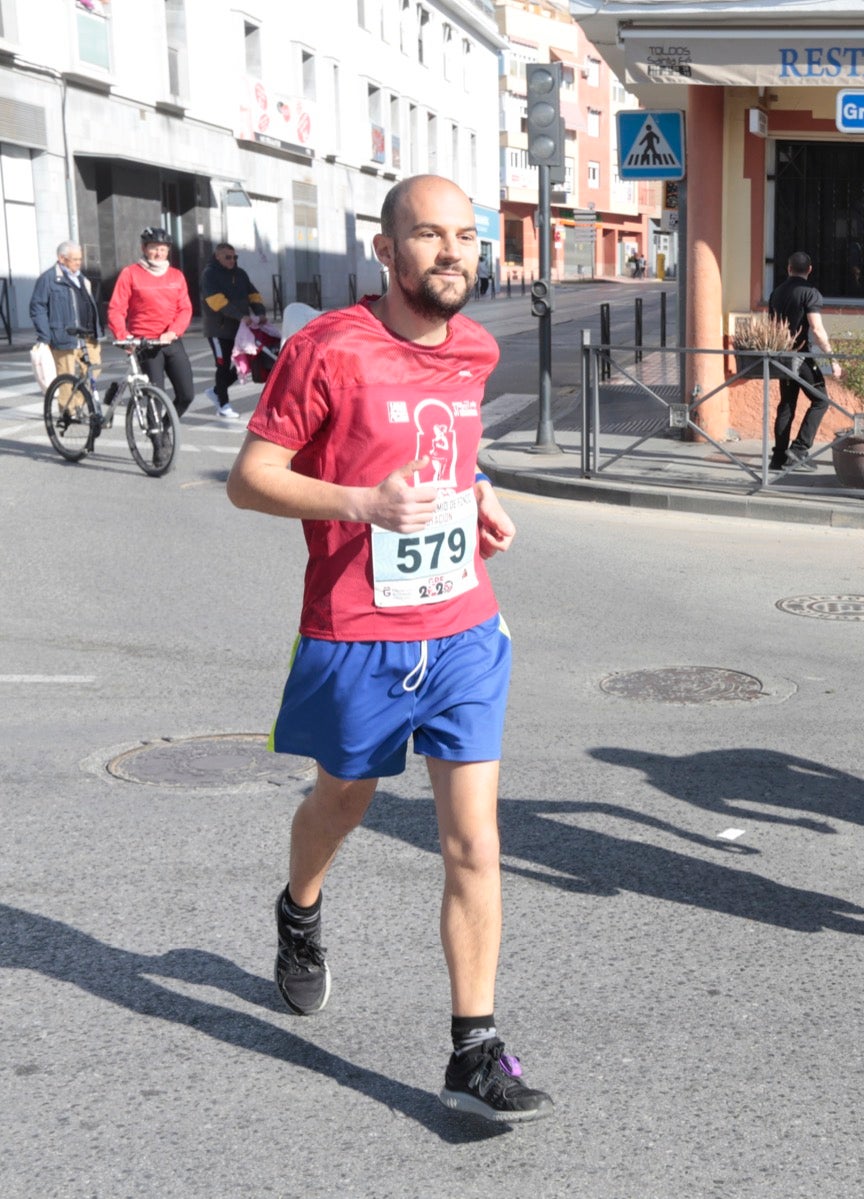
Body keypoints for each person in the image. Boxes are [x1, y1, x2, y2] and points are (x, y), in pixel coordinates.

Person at [224, 175, 553, 1124]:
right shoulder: (329, 348)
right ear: (386, 249)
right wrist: (363, 503)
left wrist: (479, 493)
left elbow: (450, 449)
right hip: (359, 632)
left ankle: (474, 1049)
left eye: (466, 237)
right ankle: (300, 907)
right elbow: (250, 478)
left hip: (463, 628)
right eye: (429, 235)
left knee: (475, 841)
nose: (452, 252)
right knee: (342, 802)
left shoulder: (477, 348)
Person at [106, 227, 198, 418]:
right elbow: (116, 308)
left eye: (163, 249)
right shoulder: (130, 273)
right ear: (144, 248)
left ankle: (166, 426)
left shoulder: (176, 276)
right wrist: (124, 337)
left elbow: (185, 308)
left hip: (171, 341)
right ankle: (156, 436)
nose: (159, 253)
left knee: (187, 395)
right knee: (155, 397)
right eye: (154, 248)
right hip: (145, 343)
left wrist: (173, 331)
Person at [765, 250, 840, 473]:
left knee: (787, 405)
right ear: (810, 269)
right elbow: (816, 328)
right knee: (821, 401)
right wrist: (832, 358)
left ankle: (778, 458)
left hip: (782, 356)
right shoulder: (810, 293)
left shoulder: (776, 293)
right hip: (801, 356)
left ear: (788, 268)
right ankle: (798, 450)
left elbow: (772, 327)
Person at [29, 241, 103, 411]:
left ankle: (78, 401)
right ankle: (68, 412)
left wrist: (98, 330)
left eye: (80, 259)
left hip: (87, 335)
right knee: (66, 375)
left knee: (94, 368)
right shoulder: (48, 279)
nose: (79, 263)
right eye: (74, 259)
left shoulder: (82, 279)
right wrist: (45, 336)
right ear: (62, 259)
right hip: (63, 336)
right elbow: (37, 308)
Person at [199, 242, 266, 420]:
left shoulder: (240, 273)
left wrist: (260, 313)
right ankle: (223, 405)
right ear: (217, 257)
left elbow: (253, 295)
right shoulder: (210, 274)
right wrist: (240, 315)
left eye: (234, 257)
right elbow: (216, 301)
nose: (232, 260)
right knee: (222, 366)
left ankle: (216, 391)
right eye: (227, 257)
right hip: (218, 330)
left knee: (244, 363)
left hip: (239, 329)